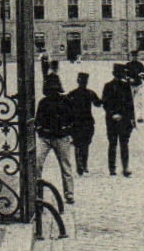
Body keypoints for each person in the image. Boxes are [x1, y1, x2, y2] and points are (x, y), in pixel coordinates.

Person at [34, 76, 76, 204]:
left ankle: (69, 193)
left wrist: (67, 130)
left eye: (55, 88)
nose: (53, 91)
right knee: (37, 162)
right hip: (45, 138)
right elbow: (38, 120)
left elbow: (73, 119)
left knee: (66, 166)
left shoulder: (65, 101)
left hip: (61, 137)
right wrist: (41, 129)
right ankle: (36, 191)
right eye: (51, 89)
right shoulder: (43, 102)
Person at [98, 62, 137, 176]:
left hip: (123, 120)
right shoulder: (108, 86)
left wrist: (131, 119)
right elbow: (105, 103)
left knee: (122, 143)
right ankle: (112, 168)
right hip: (112, 120)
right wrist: (113, 114)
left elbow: (130, 105)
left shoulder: (126, 87)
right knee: (113, 144)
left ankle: (124, 167)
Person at [65, 71, 99, 175]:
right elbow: (98, 103)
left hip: (77, 122)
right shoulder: (90, 93)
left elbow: (65, 104)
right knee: (85, 144)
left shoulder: (72, 93)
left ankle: (80, 165)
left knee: (78, 144)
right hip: (87, 122)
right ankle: (83, 165)